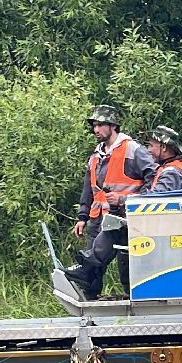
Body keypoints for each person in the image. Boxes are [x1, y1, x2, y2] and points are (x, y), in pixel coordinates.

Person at [67, 105, 154, 300]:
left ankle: (135, 302)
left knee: (127, 266)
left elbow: (152, 175)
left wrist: (139, 203)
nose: (95, 130)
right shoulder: (96, 154)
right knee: (91, 265)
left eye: (100, 125)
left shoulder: (132, 149)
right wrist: (82, 216)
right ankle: (89, 302)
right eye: (94, 126)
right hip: (97, 219)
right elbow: (88, 188)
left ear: (113, 125)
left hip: (124, 219)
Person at [143, 125, 182, 193]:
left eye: (151, 146)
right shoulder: (169, 169)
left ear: (163, 147)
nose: (148, 150)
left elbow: (156, 199)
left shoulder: (171, 173)